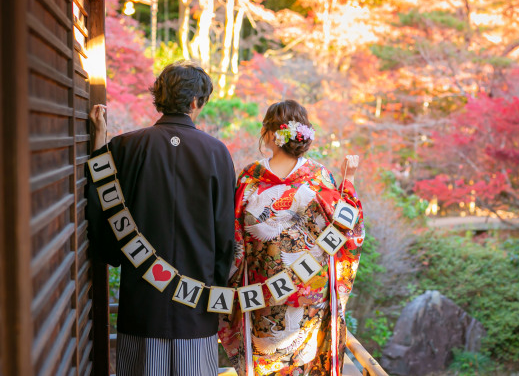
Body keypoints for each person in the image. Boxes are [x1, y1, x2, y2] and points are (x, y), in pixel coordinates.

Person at [87, 61, 236, 376]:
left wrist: (99, 142)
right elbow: (225, 234)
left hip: (142, 300)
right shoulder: (216, 152)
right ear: (196, 103)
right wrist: (218, 289)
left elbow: (104, 201)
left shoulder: (126, 146)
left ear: (159, 97)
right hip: (196, 301)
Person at [218, 100, 363, 376]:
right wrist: (349, 183)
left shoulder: (249, 180)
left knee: (264, 363)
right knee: (303, 364)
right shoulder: (320, 178)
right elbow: (349, 228)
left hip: (260, 294)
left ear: (270, 135)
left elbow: (232, 240)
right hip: (309, 290)